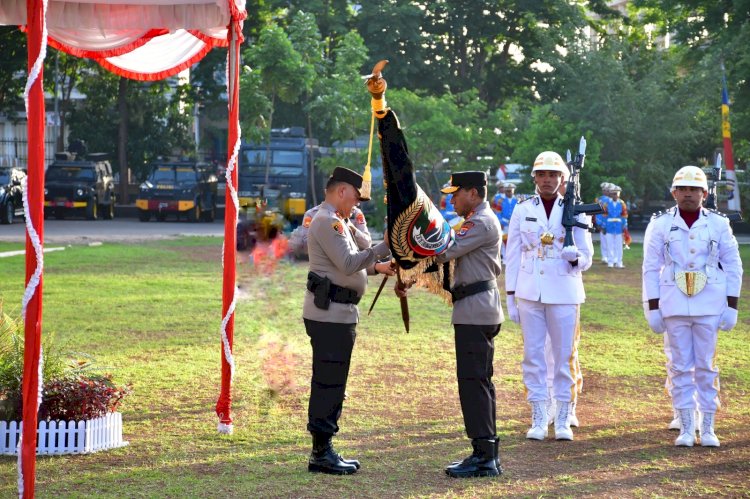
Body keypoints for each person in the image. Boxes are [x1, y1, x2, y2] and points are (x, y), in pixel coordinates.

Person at [396, 171, 504, 478]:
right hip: (474, 309)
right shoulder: (476, 220)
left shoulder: (480, 222)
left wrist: (406, 256)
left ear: (473, 193)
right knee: (478, 383)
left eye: (456, 194)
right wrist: (410, 273)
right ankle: (485, 451)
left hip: (475, 311)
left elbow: (444, 252)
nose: (451, 199)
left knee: (474, 385)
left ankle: (484, 457)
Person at [303, 166, 395, 474]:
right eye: (355, 198)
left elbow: (360, 258)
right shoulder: (328, 222)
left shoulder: (338, 220)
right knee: (328, 382)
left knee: (333, 381)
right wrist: (387, 247)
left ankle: (324, 447)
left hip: (338, 314)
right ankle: (321, 452)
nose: (356, 204)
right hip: (329, 315)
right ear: (341, 191)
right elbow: (347, 263)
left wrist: (379, 263)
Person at [642, 165, 742, 447]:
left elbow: (733, 265)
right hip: (674, 302)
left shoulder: (719, 224)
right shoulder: (661, 224)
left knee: (706, 366)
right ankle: (687, 427)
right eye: (682, 189)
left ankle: (707, 427)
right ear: (673, 192)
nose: (688, 194)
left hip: (709, 302)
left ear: (705, 193)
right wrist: (653, 307)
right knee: (680, 366)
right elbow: (650, 267)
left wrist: (731, 305)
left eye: (694, 189)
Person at [505, 151, 594, 442]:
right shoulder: (522, 209)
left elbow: (587, 256)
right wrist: (511, 295)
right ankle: (539, 416)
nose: (547, 180)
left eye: (553, 175)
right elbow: (514, 253)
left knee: (564, 356)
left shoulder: (575, 209)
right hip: (530, 290)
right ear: (534, 178)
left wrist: (574, 258)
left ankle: (564, 417)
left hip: (565, 290)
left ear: (563, 178)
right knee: (533, 356)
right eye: (541, 175)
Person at [290, 203, 371, 259]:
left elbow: (366, 244)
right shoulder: (312, 214)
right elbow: (305, 246)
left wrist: (352, 228)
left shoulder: (355, 213)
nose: (357, 203)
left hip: (351, 262)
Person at [604, 185, 628, 268]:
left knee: (619, 245)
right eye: (613, 194)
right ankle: (610, 262)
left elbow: (625, 216)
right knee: (610, 244)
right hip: (609, 226)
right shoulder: (607, 204)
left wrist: (624, 226)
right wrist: (603, 226)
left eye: (616, 194)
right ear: (611, 194)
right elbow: (604, 215)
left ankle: (619, 262)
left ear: (619, 194)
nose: (615, 195)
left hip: (619, 227)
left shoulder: (622, 204)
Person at [595, 183, 612, 264]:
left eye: (607, 190)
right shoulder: (599, 200)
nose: (606, 192)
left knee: (609, 241)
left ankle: (609, 257)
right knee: (604, 241)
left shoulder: (611, 200)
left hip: (609, 223)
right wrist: (599, 224)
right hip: (603, 223)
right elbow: (597, 213)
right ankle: (605, 257)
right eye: (604, 190)